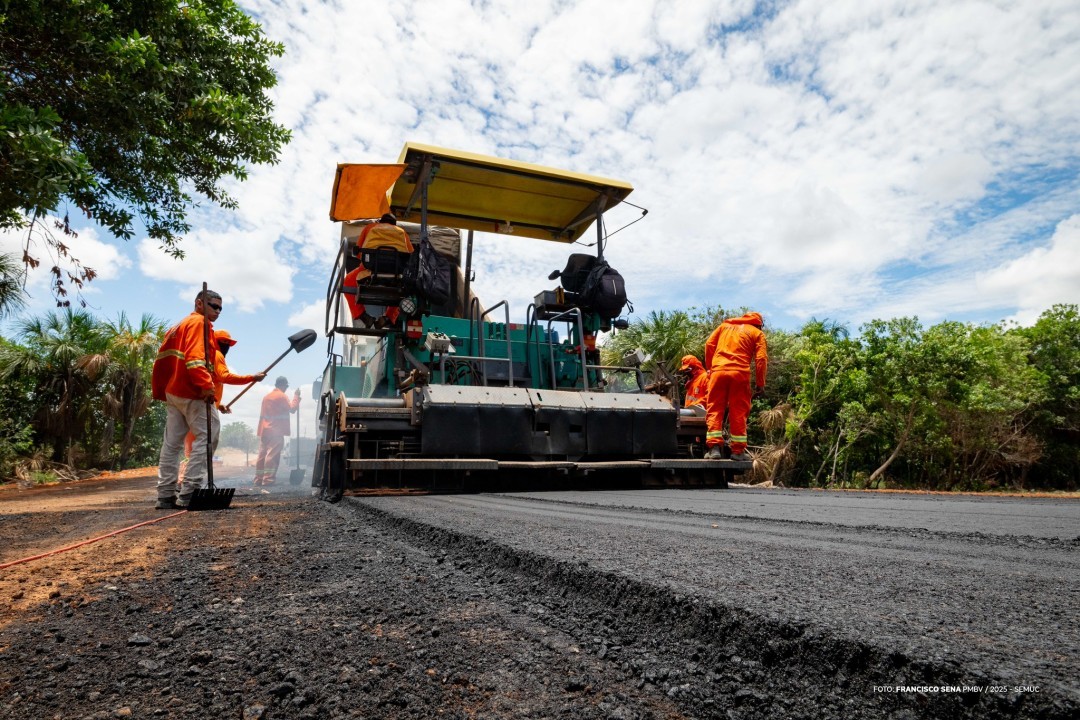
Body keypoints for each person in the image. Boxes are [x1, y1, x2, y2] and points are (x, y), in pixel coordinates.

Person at [151, 290, 221, 509]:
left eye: (220, 308)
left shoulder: (178, 326)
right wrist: (208, 388)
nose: (217, 311)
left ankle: (165, 496)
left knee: (171, 444)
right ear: (199, 303)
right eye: (213, 306)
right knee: (209, 435)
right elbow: (194, 360)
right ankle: (190, 491)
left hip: (173, 391)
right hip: (191, 391)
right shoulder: (200, 324)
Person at [179, 329, 266, 479]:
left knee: (193, 446)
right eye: (223, 342)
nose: (226, 346)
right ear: (215, 341)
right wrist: (252, 377)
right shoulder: (217, 355)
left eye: (228, 343)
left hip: (198, 405)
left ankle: (184, 481)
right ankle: (187, 481)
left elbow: (211, 381)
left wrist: (219, 405)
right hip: (202, 408)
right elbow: (224, 376)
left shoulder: (206, 355)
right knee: (203, 444)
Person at [703, 312, 768, 462]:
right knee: (738, 410)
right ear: (759, 324)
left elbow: (709, 344)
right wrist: (760, 383)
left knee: (714, 409)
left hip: (717, 372)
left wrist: (710, 368)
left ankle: (713, 450)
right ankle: (737, 451)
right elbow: (761, 359)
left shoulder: (724, 326)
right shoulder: (757, 333)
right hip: (740, 374)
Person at [342, 213, 414, 329]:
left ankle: (363, 316)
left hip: (370, 269)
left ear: (380, 221)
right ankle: (388, 318)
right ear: (395, 224)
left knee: (346, 282)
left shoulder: (370, 228)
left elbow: (360, 254)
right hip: (395, 272)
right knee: (404, 291)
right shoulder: (402, 232)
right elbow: (410, 254)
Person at [254, 376, 300, 486]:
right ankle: (268, 480)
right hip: (275, 431)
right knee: (272, 456)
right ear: (284, 385)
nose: (286, 389)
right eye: (286, 386)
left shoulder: (267, 397)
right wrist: (296, 396)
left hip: (264, 430)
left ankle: (258, 479)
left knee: (262, 455)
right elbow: (292, 409)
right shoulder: (281, 396)